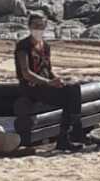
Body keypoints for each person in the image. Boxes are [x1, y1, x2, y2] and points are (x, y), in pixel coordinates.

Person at [13, 14, 85, 153]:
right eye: (35, 25)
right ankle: (72, 133)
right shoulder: (23, 46)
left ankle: (69, 134)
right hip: (31, 87)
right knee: (69, 97)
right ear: (29, 26)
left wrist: (58, 80)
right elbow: (26, 73)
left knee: (73, 88)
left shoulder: (46, 46)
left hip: (46, 84)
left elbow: (48, 69)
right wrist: (48, 82)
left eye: (41, 26)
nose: (38, 28)